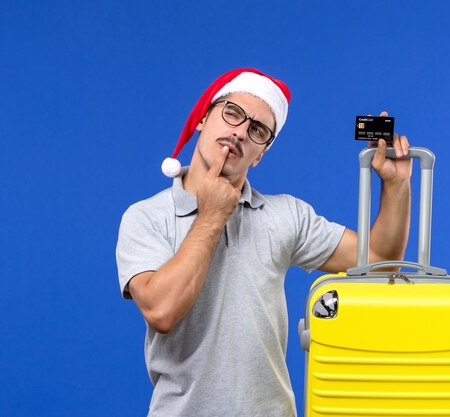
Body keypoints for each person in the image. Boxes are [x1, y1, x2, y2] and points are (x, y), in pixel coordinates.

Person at [116, 68, 411, 417]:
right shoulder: (146, 217)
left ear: (260, 155)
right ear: (201, 119)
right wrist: (212, 216)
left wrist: (396, 186)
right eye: (232, 113)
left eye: (257, 130)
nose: (239, 132)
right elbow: (161, 311)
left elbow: (380, 259)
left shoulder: (287, 216)